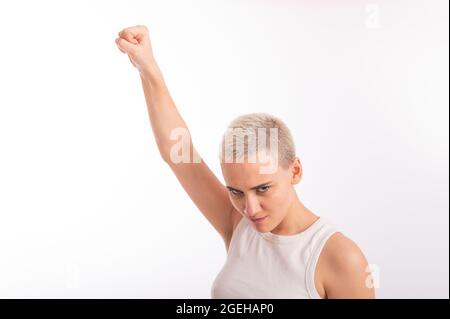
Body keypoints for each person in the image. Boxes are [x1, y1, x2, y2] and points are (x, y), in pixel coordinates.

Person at [115, 25, 375, 299]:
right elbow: (177, 151)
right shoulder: (237, 223)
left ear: (295, 171)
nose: (249, 208)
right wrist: (147, 68)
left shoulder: (340, 258)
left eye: (263, 188)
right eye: (236, 192)